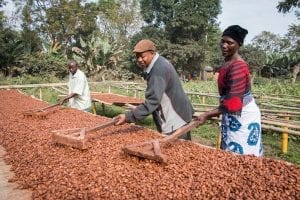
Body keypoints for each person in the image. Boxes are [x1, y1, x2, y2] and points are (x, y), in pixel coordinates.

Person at [197, 25, 263, 156]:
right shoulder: (227, 63)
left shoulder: (238, 66)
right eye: (223, 41)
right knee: (230, 153)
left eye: (230, 42)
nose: (224, 45)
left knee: (241, 156)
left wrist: (206, 114)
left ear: (239, 44)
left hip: (242, 115)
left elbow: (232, 103)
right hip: (232, 113)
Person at [114, 39, 194, 140]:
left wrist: (128, 116)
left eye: (143, 56)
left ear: (152, 53)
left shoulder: (158, 70)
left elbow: (153, 100)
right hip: (181, 114)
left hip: (175, 119)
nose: (139, 59)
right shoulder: (160, 62)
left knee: (177, 151)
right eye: (137, 56)